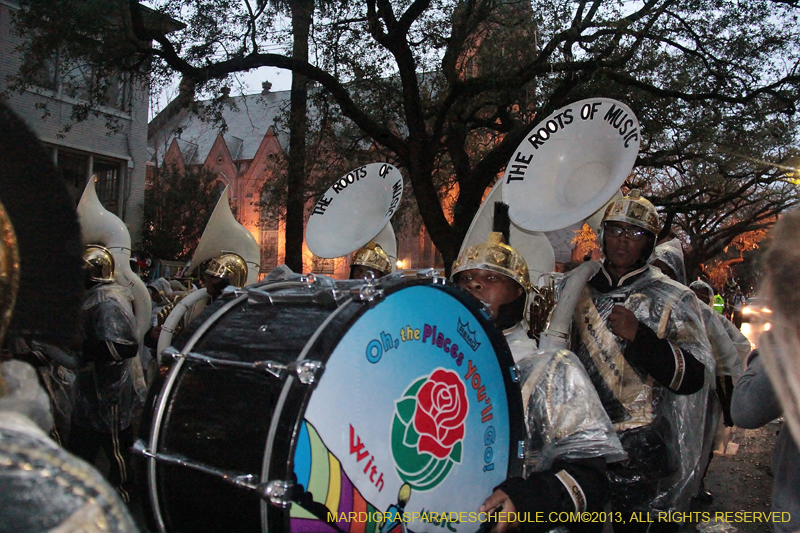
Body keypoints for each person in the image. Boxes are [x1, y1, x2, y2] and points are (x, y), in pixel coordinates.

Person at [452, 203, 625, 533]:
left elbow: (591, 480)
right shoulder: (435, 359)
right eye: (466, 278)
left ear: (518, 292)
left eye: (490, 278)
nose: (475, 285)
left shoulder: (552, 369)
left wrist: (530, 499)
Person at [564, 191, 713, 524]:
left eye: (635, 233)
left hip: (642, 449)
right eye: (616, 230)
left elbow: (694, 378)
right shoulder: (573, 289)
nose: (623, 240)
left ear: (650, 241)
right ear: (603, 235)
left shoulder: (674, 297)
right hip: (578, 440)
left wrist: (640, 337)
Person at [68, 244, 140, 503]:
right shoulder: (94, 297)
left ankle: (124, 503)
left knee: (117, 457)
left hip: (110, 396)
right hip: (90, 394)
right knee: (78, 454)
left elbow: (125, 346)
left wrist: (79, 345)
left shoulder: (108, 300)